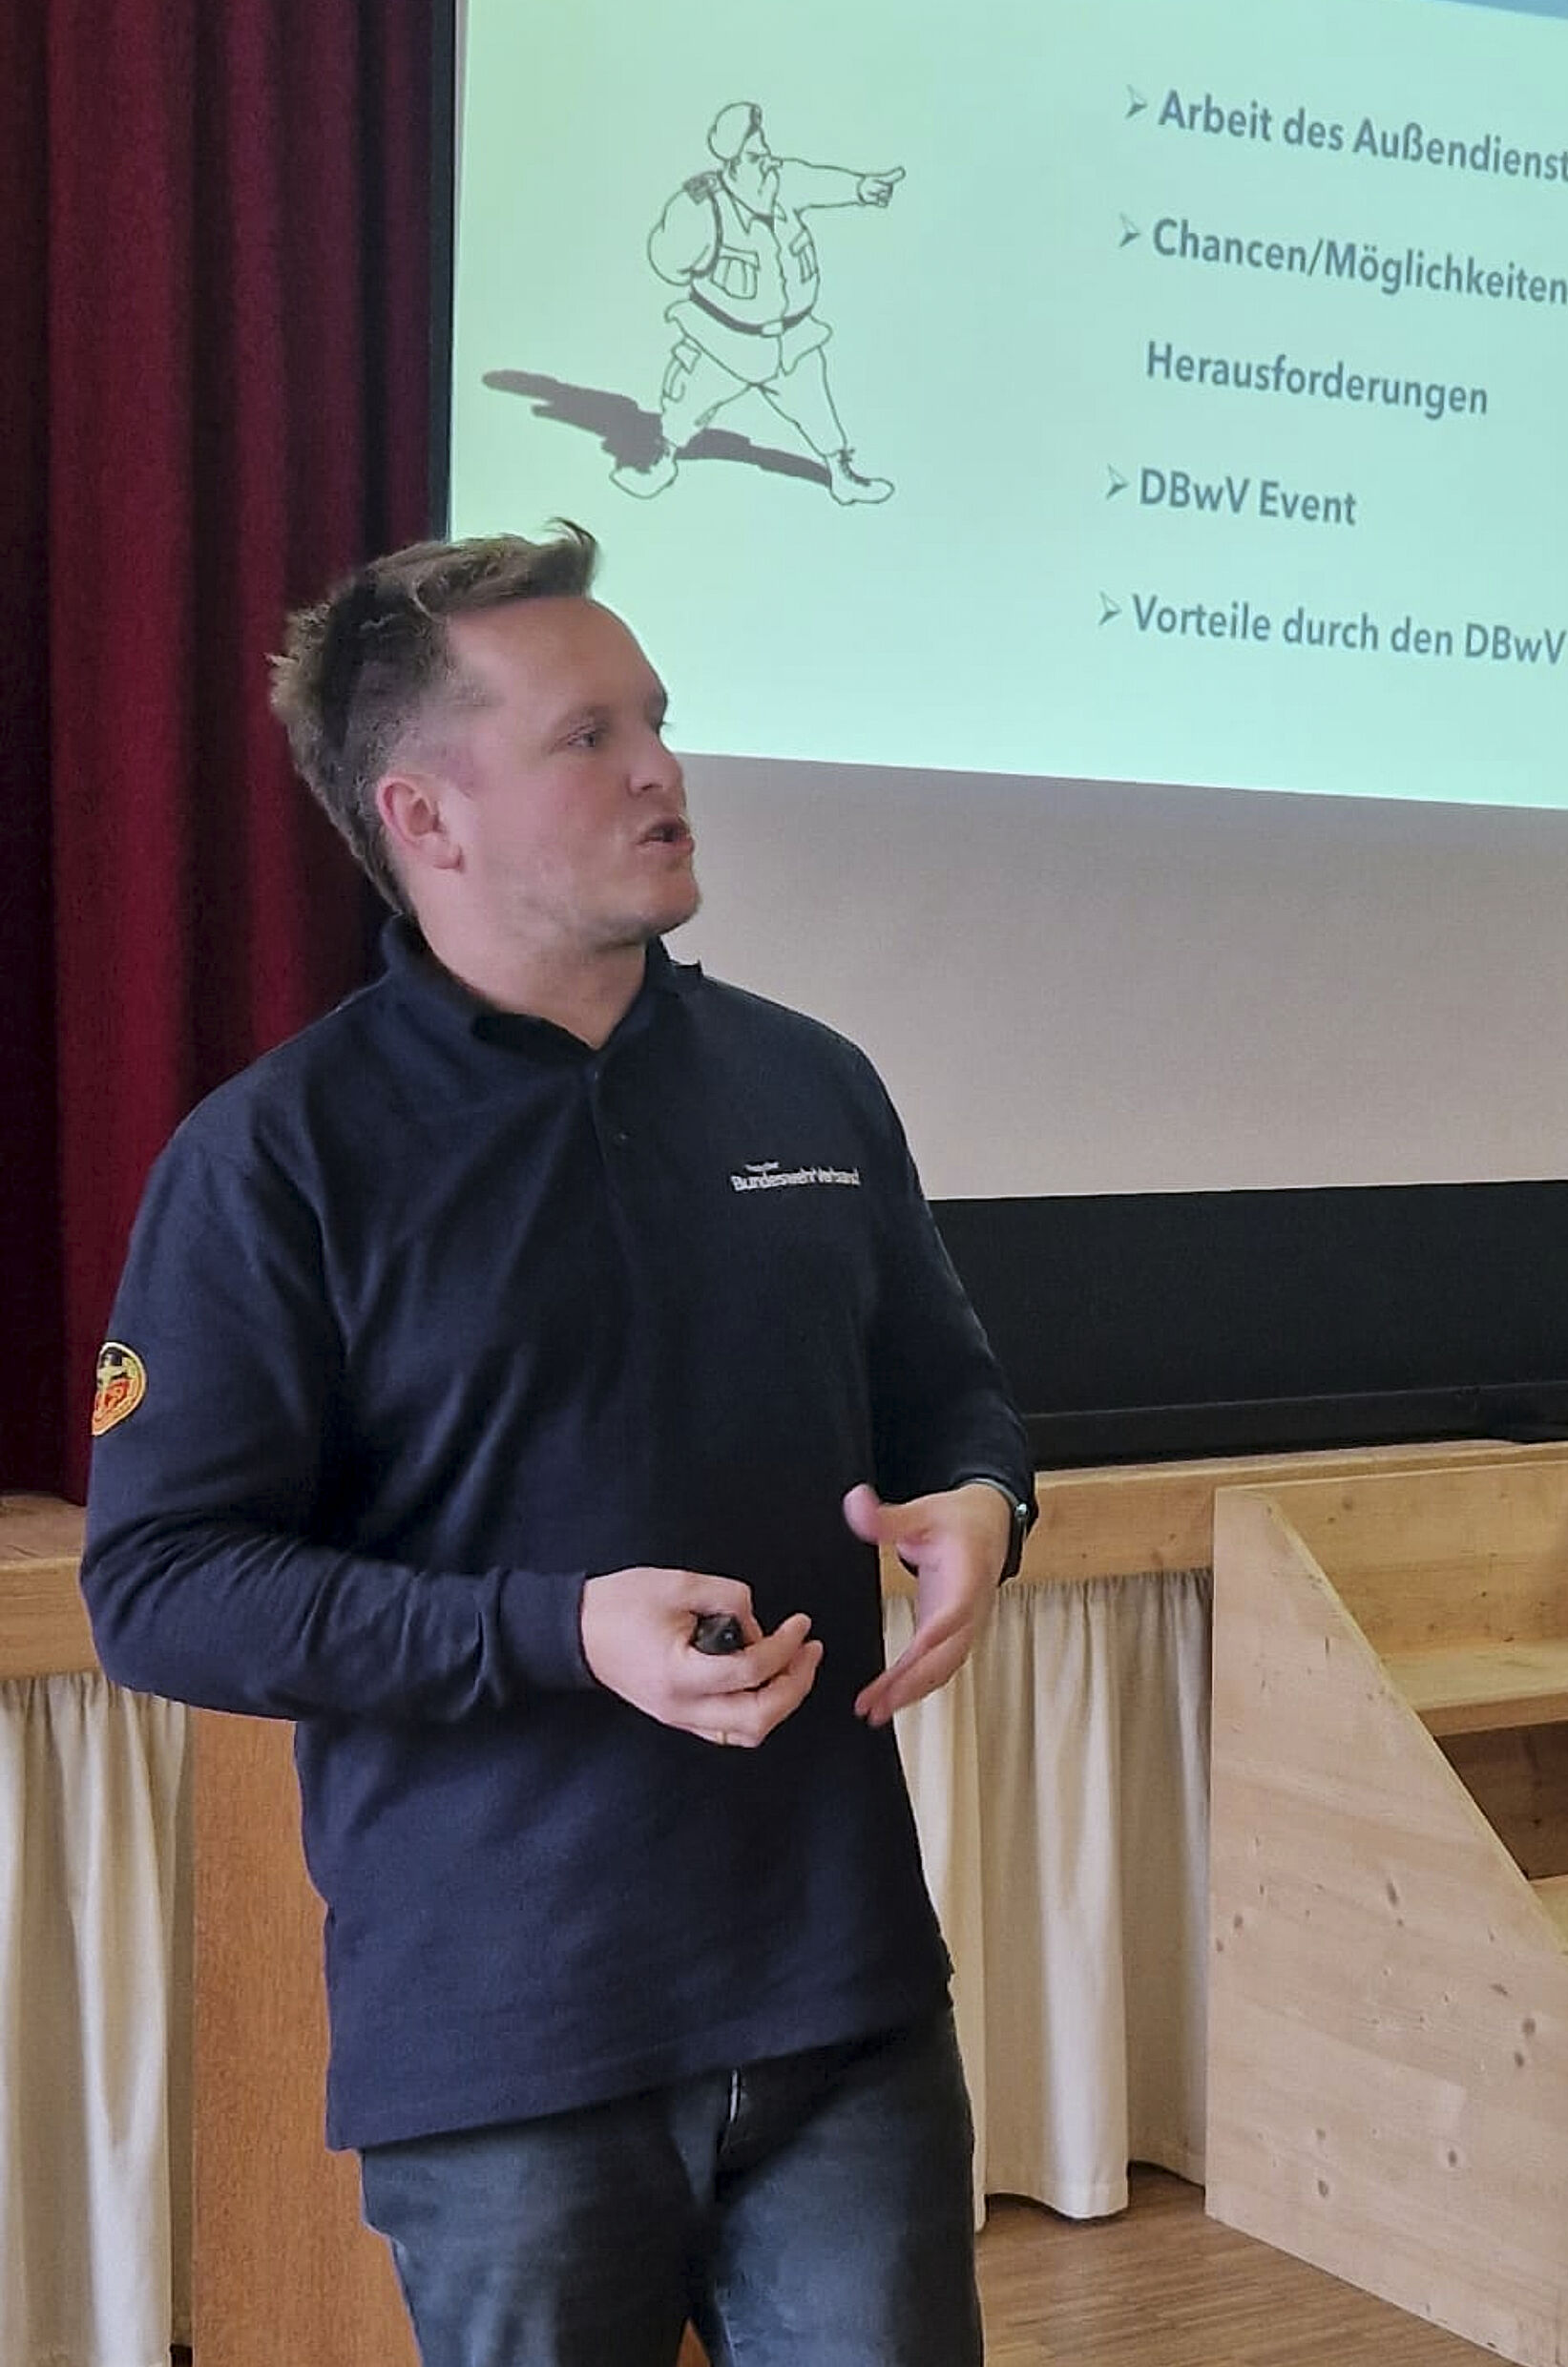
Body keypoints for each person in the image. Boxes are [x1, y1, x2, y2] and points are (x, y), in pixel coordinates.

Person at [78, 523, 1035, 2367]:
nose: (663, 768)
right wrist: (556, 1630)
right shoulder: (276, 1160)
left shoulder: (811, 1081)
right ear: (424, 817)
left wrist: (986, 1505)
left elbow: (951, 1398)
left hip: (843, 2003)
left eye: (655, 719)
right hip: (509, 2055)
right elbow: (159, 1588)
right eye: (590, 737)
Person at [613, 101, 903, 505]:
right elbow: (667, 260)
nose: (766, 160)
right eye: (754, 155)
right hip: (725, 341)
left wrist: (861, 188)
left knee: (817, 408)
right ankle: (659, 464)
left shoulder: (782, 182)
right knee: (686, 403)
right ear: (732, 163)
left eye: (764, 150)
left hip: (792, 339)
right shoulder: (702, 205)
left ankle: (842, 475)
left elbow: (820, 182)